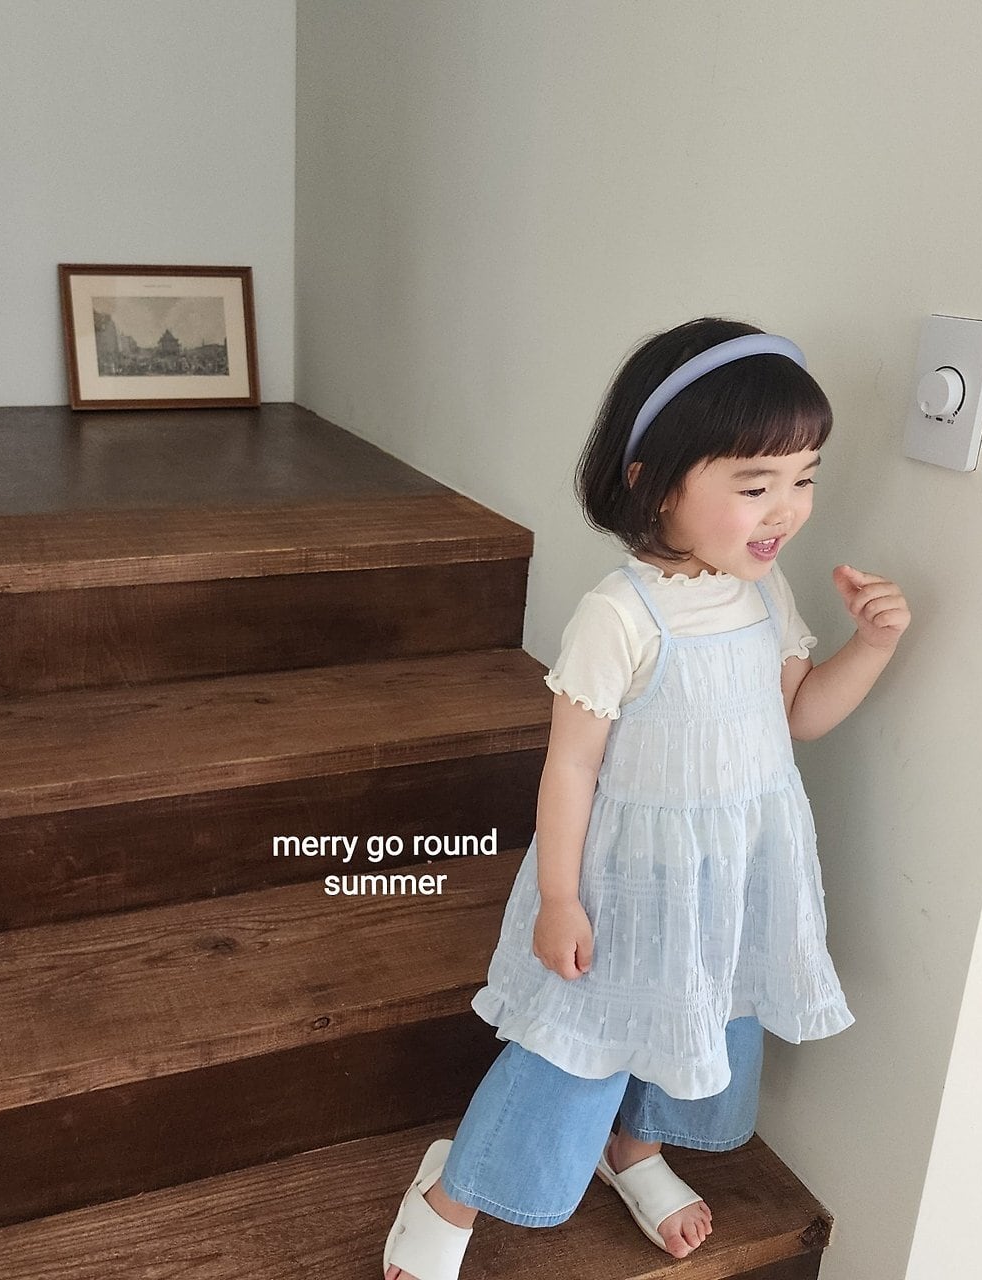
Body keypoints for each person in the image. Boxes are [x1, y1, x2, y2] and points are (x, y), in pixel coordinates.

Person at [383, 317, 911, 1280]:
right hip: (626, 881)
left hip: (730, 877)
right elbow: (570, 768)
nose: (788, 509)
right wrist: (558, 897)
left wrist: (872, 646)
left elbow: (799, 715)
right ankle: (451, 1191)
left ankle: (634, 1149)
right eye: (755, 484)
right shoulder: (620, 615)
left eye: (805, 478)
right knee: (573, 1051)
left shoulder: (765, 592)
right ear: (656, 483)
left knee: (696, 1015)